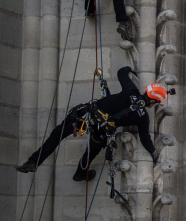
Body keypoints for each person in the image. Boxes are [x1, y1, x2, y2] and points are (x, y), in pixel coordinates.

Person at [16, 66, 168, 181]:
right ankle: (80, 173)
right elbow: (145, 138)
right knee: (91, 152)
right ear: (153, 100)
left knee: (57, 134)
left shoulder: (131, 90)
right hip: (101, 131)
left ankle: (33, 161)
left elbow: (121, 72)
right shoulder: (143, 117)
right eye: (157, 103)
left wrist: (130, 70)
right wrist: (154, 154)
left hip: (86, 116)